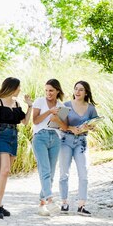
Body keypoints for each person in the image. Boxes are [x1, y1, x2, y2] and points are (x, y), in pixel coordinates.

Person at [0, 77, 33, 219]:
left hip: (13, 136)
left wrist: (29, 106)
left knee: (5, 172)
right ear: (12, 87)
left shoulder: (17, 103)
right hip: (2, 135)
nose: (20, 89)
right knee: (5, 170)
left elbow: (24, 122)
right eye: (18, 87)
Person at [59, 81, 99, 216]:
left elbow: (95, 125)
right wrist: (71, 128)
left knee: (84, 174)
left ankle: (81, 206)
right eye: (76, 89)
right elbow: (56, 124)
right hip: (65, 140)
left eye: (81, 90)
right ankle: (64, 203)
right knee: (64, 174)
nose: (77, 92)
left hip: (81, 142)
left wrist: (89, 126)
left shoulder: (91, 108)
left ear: (86, 92)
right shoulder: (66, 106)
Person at [32, 79, 67, 216]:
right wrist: (49, 112)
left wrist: (56, 119)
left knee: (51, 174)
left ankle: (42, 205)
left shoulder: (61, 105)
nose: (48, 93)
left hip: (55, 138)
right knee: (45, 170)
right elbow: (35, 121)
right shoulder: (39, 101)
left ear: (57, 91)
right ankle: (50, 200)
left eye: (51, 90)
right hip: (40, 137)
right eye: (46, 90)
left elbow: (63, 127)